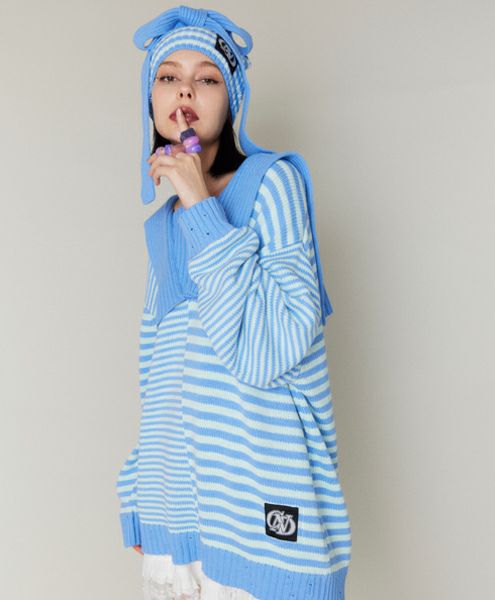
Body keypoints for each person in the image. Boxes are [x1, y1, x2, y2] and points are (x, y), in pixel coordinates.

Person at [115, 5, 352, 600]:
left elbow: (266, 351)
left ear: (232, 99)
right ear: (150, 99)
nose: (185, 90)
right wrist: (140, 487)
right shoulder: (164, 223)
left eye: (207, 78)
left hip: (258, 503)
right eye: (168, 76)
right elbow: (159, 374)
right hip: (178, 516)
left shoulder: (273, 185)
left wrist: (202, 206)